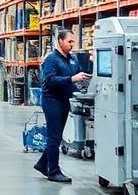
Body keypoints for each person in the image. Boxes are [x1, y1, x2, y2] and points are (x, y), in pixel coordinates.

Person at [34, 29, 90, 183]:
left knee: (57, 136)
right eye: (69, 41)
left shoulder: (73, 59)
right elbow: (50, 81)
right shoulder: (51, 59)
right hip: (52, 101)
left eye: (73, 42)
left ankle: (42, 164)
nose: (72, 45)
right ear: (60, 41)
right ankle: (54, 171)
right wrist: (72, 79)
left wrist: (84, 86)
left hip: (64, 100)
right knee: (54, 137)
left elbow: (76, 77)